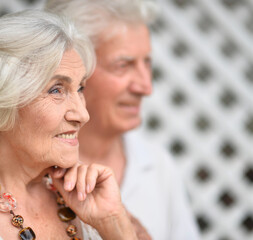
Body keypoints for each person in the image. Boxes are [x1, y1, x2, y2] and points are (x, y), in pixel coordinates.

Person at [0, 10, 140, 240]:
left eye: (80, 89)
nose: (83, 114)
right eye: (56, 90)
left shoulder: (89, 200)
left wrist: (113, 224)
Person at [45, 1, 201, 239]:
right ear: (72, 68)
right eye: (123, 65)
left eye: (147, 62)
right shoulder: (31, 172)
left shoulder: (158, 167)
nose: (146, 87)